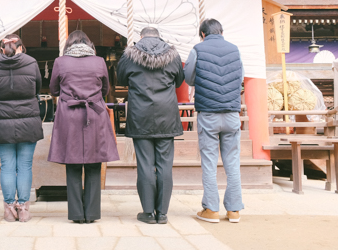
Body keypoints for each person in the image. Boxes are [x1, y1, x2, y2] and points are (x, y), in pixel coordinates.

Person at [48, 30, 119, 224]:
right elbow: (106, 90)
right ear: (89, 44)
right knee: (94, 164)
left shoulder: (60, 62)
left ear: (68, 45)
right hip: (94, 114)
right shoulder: (99, 61)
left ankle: (77, 214)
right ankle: (92, 213)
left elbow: (53, 89)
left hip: (69, 116)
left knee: (72, 165)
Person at [117, 27, 184, 225]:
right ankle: (162, 212)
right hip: (167, 114)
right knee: (165, 164)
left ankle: (147, 212)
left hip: (141, 114)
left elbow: (121, 79)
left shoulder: (130, 55)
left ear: (141, 37)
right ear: (159, 36)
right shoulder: (172, 54)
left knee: (145, 164)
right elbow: (179, 81)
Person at [183, 18, 244, 224]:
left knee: (209, 162)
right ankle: (234, 210)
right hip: (231, 114)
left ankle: (211, 209)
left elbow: (189, 78)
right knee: (232, 162)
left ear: (202, 34)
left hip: (208, 113)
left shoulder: (197, 50)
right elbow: (240, 77)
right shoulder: (235, 50)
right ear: (222, 32)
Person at [0, 34, 43, 222]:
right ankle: (24, 210)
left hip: (2, 120)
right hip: (28, 120)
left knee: (7, 166)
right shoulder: (31, 62)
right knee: (25, 165)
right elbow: (37, 87)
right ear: (20, 47)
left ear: (3, 49)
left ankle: (9, 210)